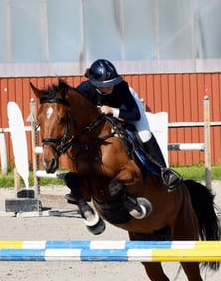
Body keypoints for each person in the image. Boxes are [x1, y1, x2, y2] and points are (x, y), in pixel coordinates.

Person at [75, 58, 182, 190]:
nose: (110, 86)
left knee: (144, 133)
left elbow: (134, 115)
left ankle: (164, 172)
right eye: (106, 84)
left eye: (112, 82)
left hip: (126, 109)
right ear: (95, 84)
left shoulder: (121, 88)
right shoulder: (84, 89)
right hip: (100, 120)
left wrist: (112, 110)